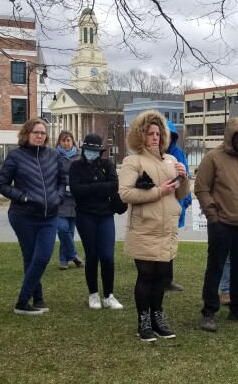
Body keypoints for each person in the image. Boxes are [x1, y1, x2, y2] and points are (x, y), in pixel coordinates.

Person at [118, 111, 190, 341]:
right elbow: (125, 193)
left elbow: (181, 193)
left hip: (166, 227)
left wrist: (184, 178)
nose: (155, 138)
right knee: (146, 275)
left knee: (161, 277)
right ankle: (143, 321)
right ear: (141, 136)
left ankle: (158, 318)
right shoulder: (133, 161)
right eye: (150, 133)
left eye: (158, 134)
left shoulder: (170, 160)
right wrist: (159, 191)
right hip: (144, 227)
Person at [195, 117, 238, 332]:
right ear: (229, 136)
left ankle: (237, 307)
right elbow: (201, 188)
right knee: (215, 268)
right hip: (222, 224)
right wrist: (213, 217)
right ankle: (209, 311)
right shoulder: (213, 158)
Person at [0, 118, 64, 315]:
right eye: (35, 132)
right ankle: (37, 298)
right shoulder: (16, 156)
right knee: (30, 257)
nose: (39, 136)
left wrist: (58, 197)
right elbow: (1, 183)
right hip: (23, 215)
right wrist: (22, 197)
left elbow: (61, 181)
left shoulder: (53, 155)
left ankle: (22, 299)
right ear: (26, 134)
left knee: (42, 257)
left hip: (49, 216)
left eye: (43, 133)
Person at [68, 133, 124, 310]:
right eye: (88, 150)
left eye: (95, 151)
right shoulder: (76, 166)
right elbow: (76, 190)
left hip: (105, 214)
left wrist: (91, 188)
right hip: (85, 215)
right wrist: (100, 188)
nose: (91, 153)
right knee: (92, 256)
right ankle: (93, 294)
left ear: (100, 152)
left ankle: (109, 295)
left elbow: (114, 186)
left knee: (107, 256)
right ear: (84, 149)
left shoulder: (107, 164)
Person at [164, 120, 191, 292]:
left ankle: (167, 280)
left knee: (170, 243)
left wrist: (184, 202)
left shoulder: (178, 153)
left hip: (175, 203)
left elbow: (184, 176)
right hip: (158, 204)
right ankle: (155, 278)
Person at [55, 131, 84, 270]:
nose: (66, 143)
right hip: (60, 199)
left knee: (70, 232)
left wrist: (76, 187)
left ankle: (63, 261)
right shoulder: (54, 156)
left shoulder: (79, 157)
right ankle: (73, 255)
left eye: (68, 140)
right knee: (62, 229)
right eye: (63, 141)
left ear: (73, 141)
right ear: (59, 142)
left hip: (75, 200)